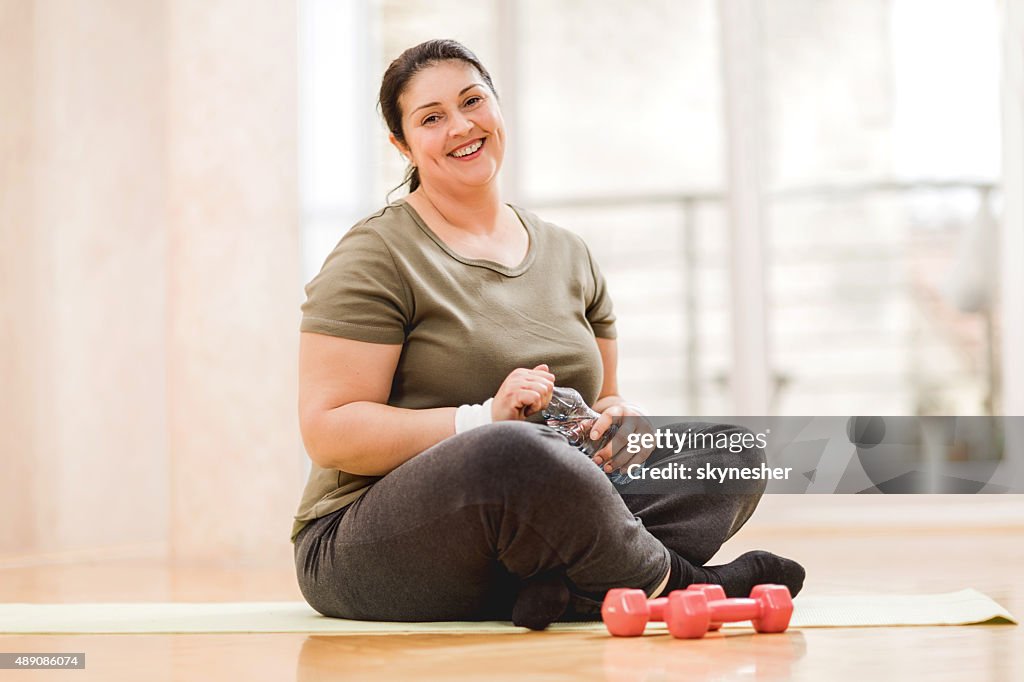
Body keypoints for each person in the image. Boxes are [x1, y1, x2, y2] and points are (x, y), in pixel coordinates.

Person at [291, 38, 805, 629]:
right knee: (514, 453)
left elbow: (607, 397)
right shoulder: (376, 255)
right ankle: (685, 585)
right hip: (368, 540)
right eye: (431, 118)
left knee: (731, 452)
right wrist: (483, 420)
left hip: (536, 520)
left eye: (472, 101)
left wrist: (623, 421)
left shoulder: (569, 254)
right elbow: (328, 431)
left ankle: (568, 590)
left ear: (497, 108)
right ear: (402, 145)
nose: (460, 126)